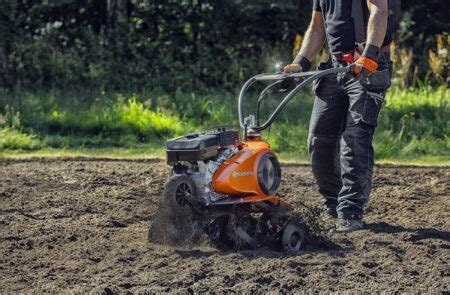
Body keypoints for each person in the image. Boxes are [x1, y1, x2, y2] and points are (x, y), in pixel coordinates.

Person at [284, 0, 392, 233]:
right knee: (318, 139)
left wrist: (370, 54)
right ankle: (333, 205)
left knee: (354, 138)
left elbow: (379, 11)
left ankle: (351, 211)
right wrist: (299, 63)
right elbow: (317, 28)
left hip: (368, 68)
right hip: (335, 68)